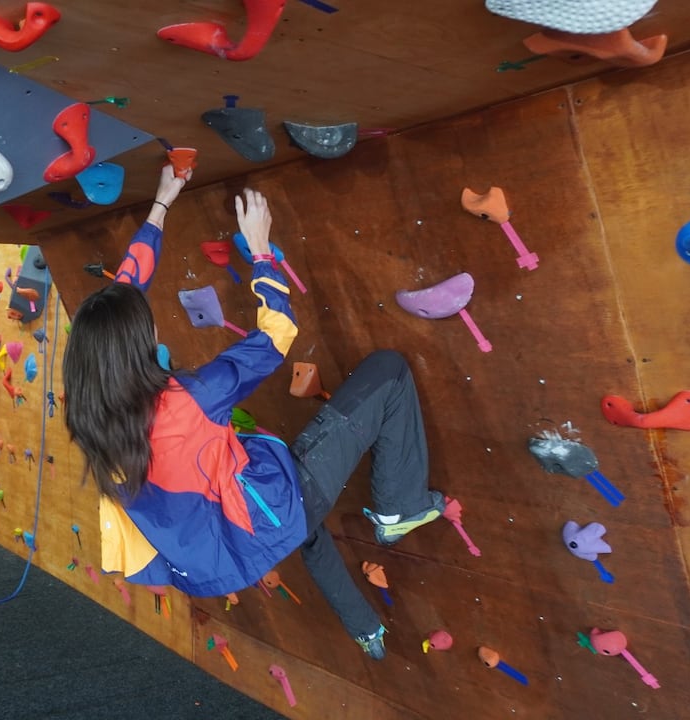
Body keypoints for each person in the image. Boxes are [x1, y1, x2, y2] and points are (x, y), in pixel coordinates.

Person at [62, 186, 445, 661]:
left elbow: (125, 291)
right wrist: (261, 251)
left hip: (210, 556)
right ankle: (400, 510)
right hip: (259, 520)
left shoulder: (91, 416)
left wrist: (162, 201)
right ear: (138, 343)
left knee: (305, 531)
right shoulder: (192, 399)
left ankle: (366, 630)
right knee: (388, 371)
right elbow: (277, 333)